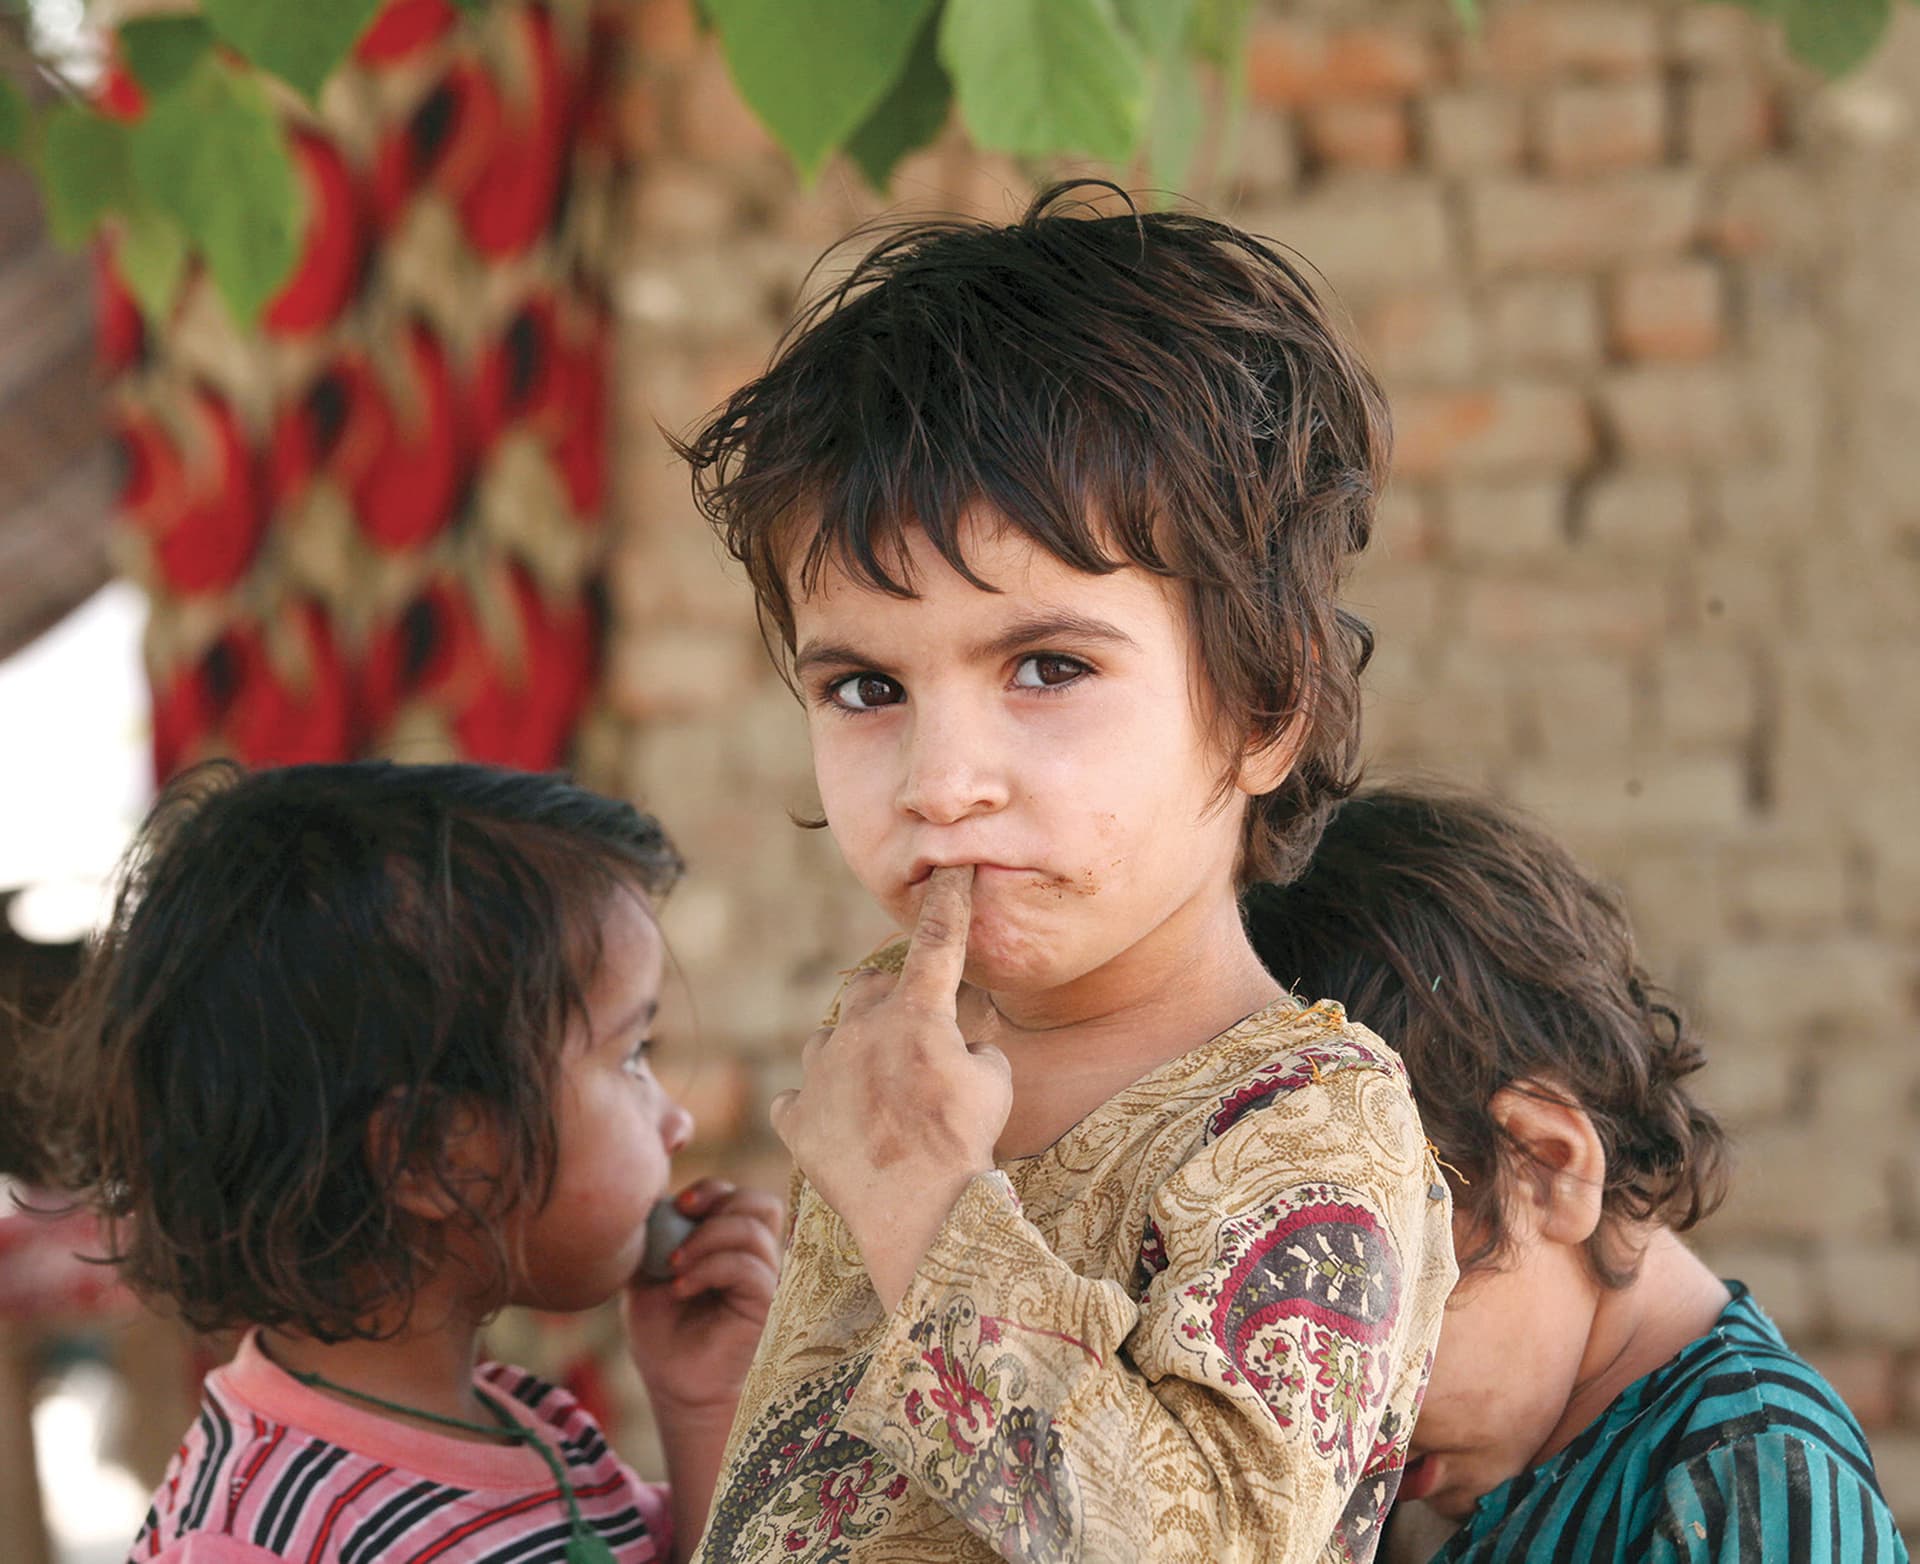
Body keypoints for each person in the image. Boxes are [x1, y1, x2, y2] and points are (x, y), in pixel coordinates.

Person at [672, 181, 1457, 1563]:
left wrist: (925, 1201)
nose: (939, 778)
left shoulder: (1302, 1138)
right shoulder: (894, 1044)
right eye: (864, 687)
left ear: (1266, 707)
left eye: (1048, 668)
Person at [38, 761, 784, 1563]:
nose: (677, 1120)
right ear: (434, 1155)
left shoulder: (527, 1432)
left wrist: (705, 1405)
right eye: (631, 1055)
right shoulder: (266, 1537)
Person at [1242, 786, 1910, 1561]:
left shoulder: (1748, 1485)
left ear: (1544, 1169)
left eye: (1354, 1300)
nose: (1322, 1388)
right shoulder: (1434, 1483)